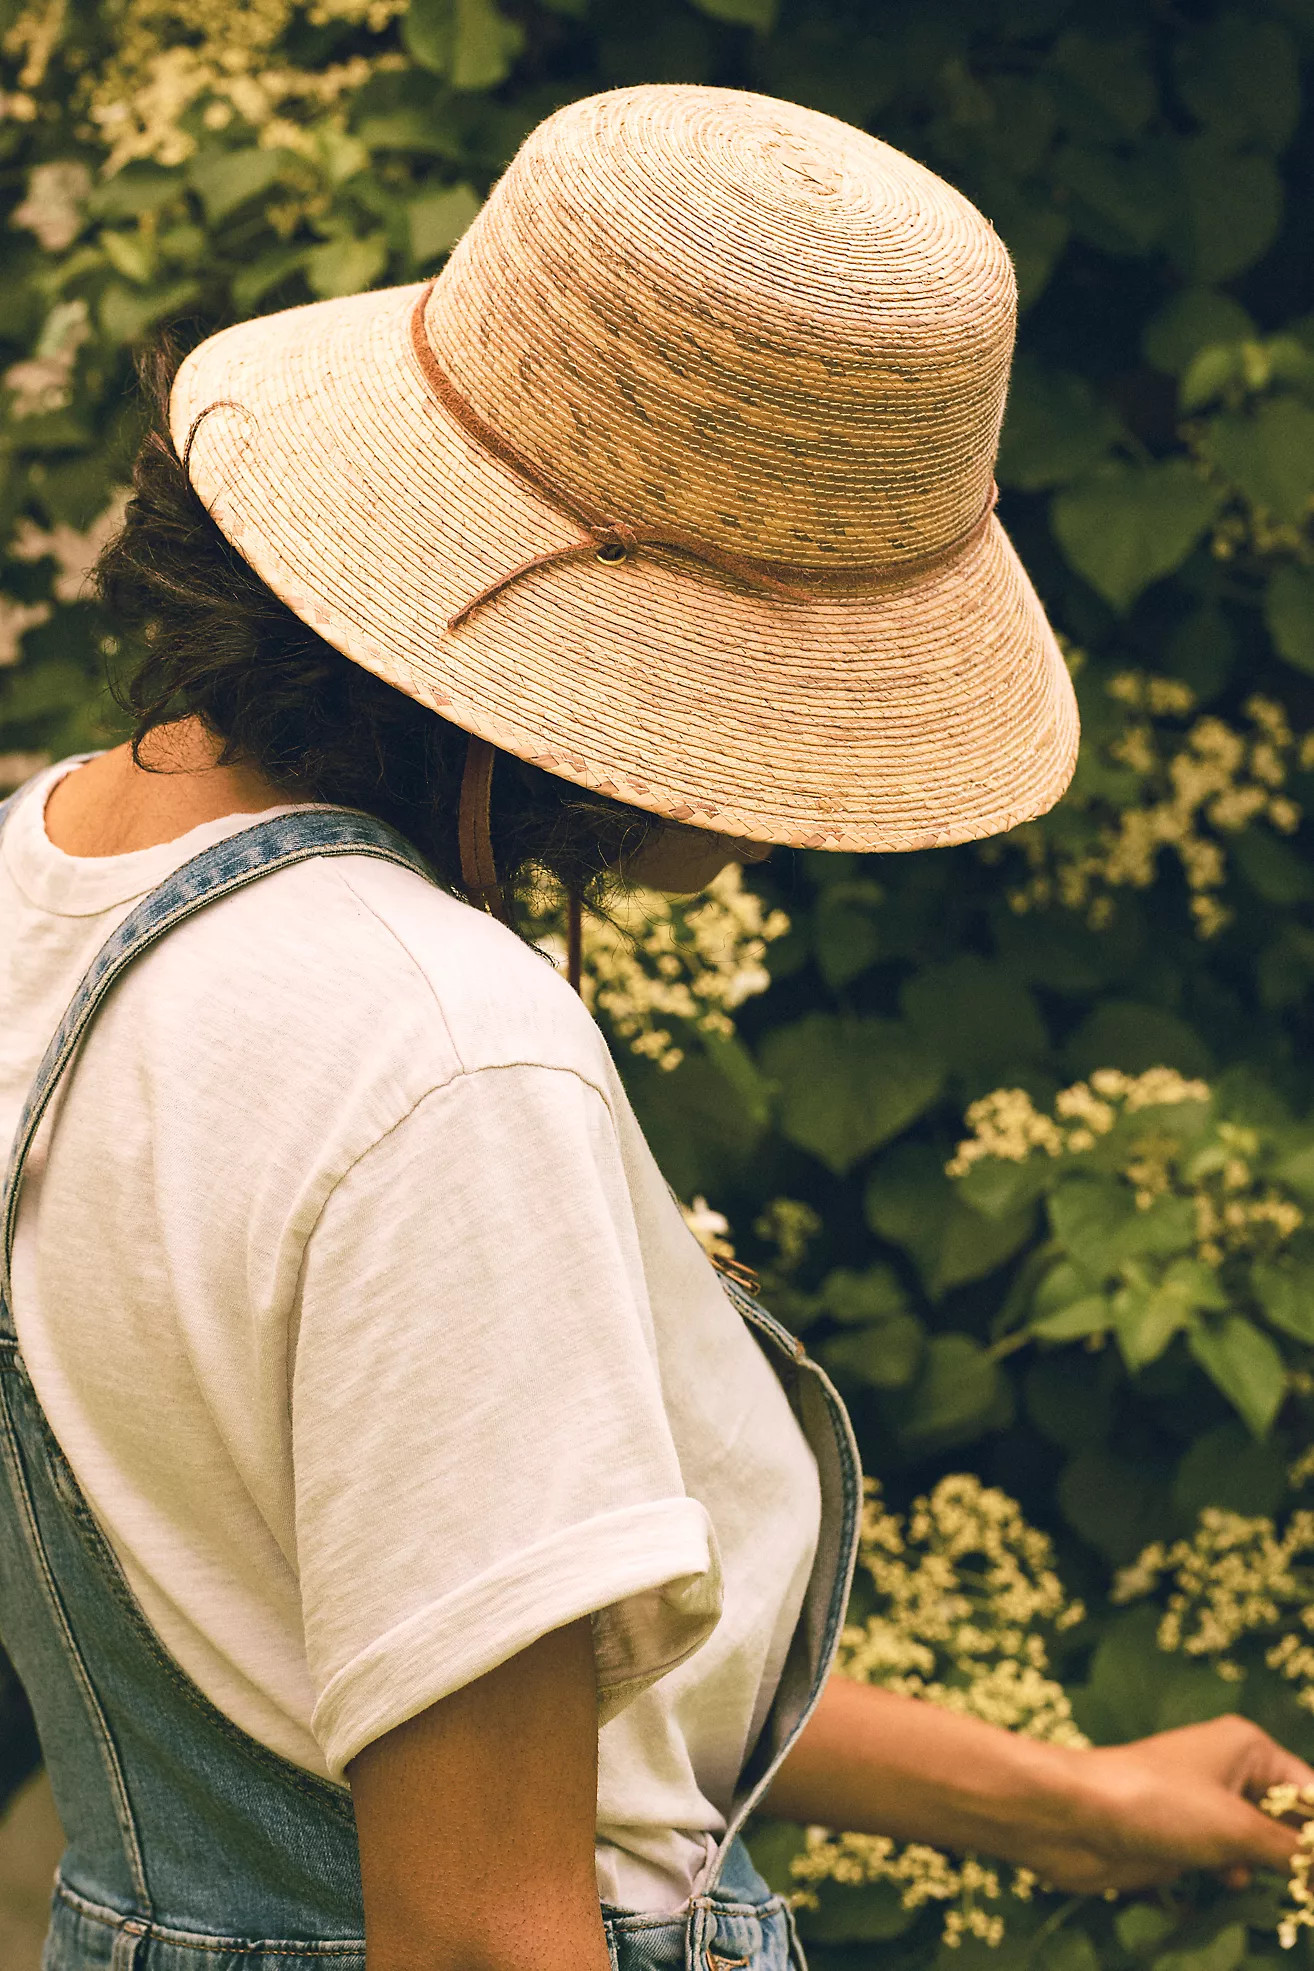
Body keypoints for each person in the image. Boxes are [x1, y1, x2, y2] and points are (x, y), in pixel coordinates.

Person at [0, 81, 1308, 1971]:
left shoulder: (52, 871)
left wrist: (1061, 1798)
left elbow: (415, 1662)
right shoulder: (447, 1059)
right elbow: (479, 1927)